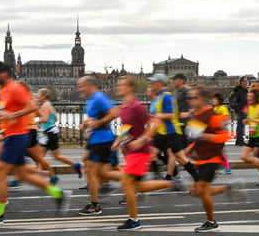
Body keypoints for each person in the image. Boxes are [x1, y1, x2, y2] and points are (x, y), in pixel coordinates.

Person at [0, 62, 72, 225]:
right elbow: (6, 111)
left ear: (5, 73)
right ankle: (58, 193)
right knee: (21, 175)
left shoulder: (15, 88)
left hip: (18, 135)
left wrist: (14, 115)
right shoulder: (3, 91)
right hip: (11, 135)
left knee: (0, 173)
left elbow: (31, 106)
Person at [113, 75, 179, 230]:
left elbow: (155, 122)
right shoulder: (123, 107)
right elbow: (127, 127)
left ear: (130, 88)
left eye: (121, 85)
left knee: (126, 182)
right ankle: (171, 183)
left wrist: (142, 140)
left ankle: (134, 220)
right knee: (139, 187)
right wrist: (119, 141)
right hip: (130, 150)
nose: (118, 87)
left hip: (141, 151)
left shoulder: (136, 106)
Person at [185, 86, 239, 233]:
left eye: (194, 98)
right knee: (198, 191)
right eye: (190, 98)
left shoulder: (212, 115)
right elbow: (196, 137)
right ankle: (228, 188)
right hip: (201, 158)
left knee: (201, 190)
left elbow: (225, 135)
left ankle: (212, 222)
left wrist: (209, 137)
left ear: (203, 99)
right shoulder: (195, 116)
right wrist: (191, 147)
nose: (191, 100)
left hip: (212, 157)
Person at [77, 76, 121, 216]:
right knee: (96, 170)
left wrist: (97, 124)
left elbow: (115, 112)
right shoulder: (91, 99)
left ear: (90, 85)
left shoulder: (99, 97)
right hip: (95, 140)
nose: (80, 89)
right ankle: (132, 182)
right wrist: (86, 123)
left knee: (93, 172)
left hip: (102, 139)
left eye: (82, 86)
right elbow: (94, 116)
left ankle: (95, 205)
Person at [149, 73, 200, 183]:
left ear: (160, 83)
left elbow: (171, 115)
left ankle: (198, 180)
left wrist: (157, 116)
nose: (152, 84)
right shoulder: (162, 96)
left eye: (154, 82)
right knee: (152, 154)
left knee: (181, 158)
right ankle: (162, 177)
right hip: (162, 132)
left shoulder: (167, 96)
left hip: (171, 131)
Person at [36, 88, 82, 179]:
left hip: (48, 133)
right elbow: (56, 119)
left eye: (39, 95)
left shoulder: (45, 106)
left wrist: (35, 123)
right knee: (52, 156)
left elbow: (45, 119)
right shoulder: (50, 105)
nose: (37, 96)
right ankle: (75, 165)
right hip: (51, 132)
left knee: (41, 156)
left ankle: (43, 175)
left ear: (44, 96)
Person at [241, 89, 259, 186]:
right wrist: (247, 121)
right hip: (252, 135)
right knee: (244, 157)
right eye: (248, 96)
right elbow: (251, 120)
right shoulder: (250, 107)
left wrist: (254, 120)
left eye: (250, 96)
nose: (248, 98)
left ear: (255, 98)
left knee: (256, 159)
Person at [211, 92, 231, 175]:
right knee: (216, 151)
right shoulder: (214, 109)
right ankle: (220, 167)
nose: (213, 101)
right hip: (215, 133)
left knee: (219, 151)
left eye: (215, 99)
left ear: (219, 100)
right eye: (213, 99)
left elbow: (227, 118)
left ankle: (227, 168)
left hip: (221, 133)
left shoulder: (222, 108)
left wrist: (221, 123)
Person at [233, 76, 248, 146]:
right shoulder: (242, 91)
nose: (246, 82)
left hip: (239, 109)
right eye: (245, 81)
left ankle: (238, 139)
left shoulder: (238, 90)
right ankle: (240, 140)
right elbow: (243, 101)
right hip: (242, 109)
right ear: (242, 82)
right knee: (241, 125)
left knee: (239, 125)